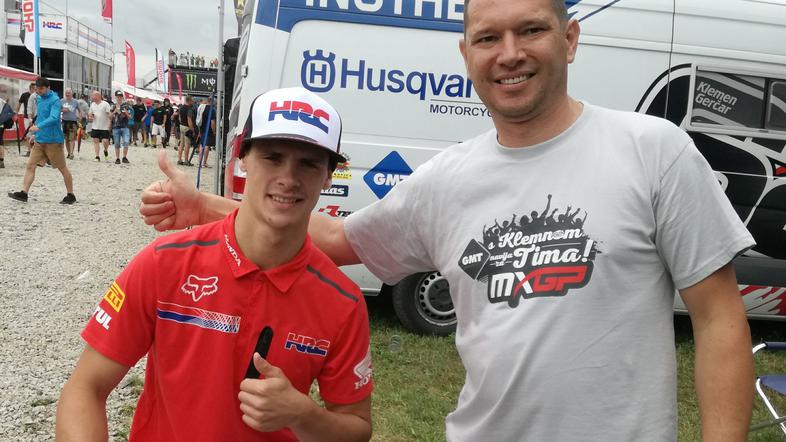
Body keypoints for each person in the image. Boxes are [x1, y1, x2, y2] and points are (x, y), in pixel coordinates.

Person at [140, 0, 756, 440]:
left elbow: (719, 319)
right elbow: (335, 239)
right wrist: (207, 208)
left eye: (531, 30)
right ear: (466, 54)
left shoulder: (653, 151)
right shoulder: (449, 180)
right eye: (488, 38)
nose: (509, 54)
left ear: (569, 39)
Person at [58, 87, 373, 441]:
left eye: (309, 163)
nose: (288, 177)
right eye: (272, 157)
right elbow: (85, 389)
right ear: (242, 158)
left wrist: (304, 415)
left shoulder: (343, 302)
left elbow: (356, 429)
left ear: (328, 175)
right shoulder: (165, 263)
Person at [7, 77, 75, 204]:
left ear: (48, 88)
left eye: (41, 89)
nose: (38, 91)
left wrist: (38, 127)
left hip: (54, 141)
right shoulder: (38, 98)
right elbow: (41, 117)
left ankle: (71, 195)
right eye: (37, 89)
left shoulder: (55, 100)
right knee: (30, 165)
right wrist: (35, 133)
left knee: (62, 168)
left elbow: (54, 117)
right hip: (40, 140)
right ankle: (24, 193)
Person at [88, 91, 112, 162]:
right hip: (95, 126)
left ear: (99, 96)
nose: (93, 98)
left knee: (105, 141)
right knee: (96, 141)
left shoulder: (105, 104)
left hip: (104, 126)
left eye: (94, 96)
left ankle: (105, 150)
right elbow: (90, 113)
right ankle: (97, 156)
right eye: (92, 97)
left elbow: (109, 114)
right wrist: (90, 116)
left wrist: (110, 122)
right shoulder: (92, 104)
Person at [110, 91, 133, 164]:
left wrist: (126, 113)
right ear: (116, 97)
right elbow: (109, 117)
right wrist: (114, 112)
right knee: (117, 143)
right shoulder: (113, 106)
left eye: (120, 97)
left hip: (125, 127)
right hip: (116, 127)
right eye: (118, 97)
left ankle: (124, 157)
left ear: (122, 97)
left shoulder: (126, 106)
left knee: (126, 142)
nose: (119, 98)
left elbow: (130, 117)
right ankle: (117, 158)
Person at [60, 88, 81, 160]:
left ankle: (71, 153)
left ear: (72, 94)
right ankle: (69, 153)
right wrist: (63, 110)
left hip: (73, 122)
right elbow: (57, 109)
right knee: (66, 139)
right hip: (64, 121)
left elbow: (79, 110)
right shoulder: (61, 101)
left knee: (72, 138)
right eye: (66, 93)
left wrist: (80, 117)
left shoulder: (75, 102)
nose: (67, 94)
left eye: (69, 93)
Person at [178, 96, 195, 166]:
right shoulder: (189, 109)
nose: (193, 102)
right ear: (189, 101)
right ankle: (186, 160)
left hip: (181, 126)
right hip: (187, 127)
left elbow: (179, 118)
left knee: (181, 144)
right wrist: (192, 129)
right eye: (192, 100)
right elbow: (189, 120)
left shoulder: (181, 107)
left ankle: (179, 159)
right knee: (187, 145)